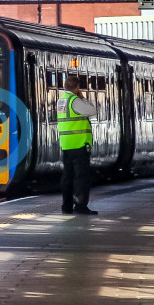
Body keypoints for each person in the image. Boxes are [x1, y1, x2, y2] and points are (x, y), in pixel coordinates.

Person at [58, 72, 98, 215]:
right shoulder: (74, 101)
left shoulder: (62, 100)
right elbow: (93, 111)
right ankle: (80, 206)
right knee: (81, 177)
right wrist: (82, 98)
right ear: (77, 87)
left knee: (67, 177)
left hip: (66, 144)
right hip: (79, 144)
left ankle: (66, 206)